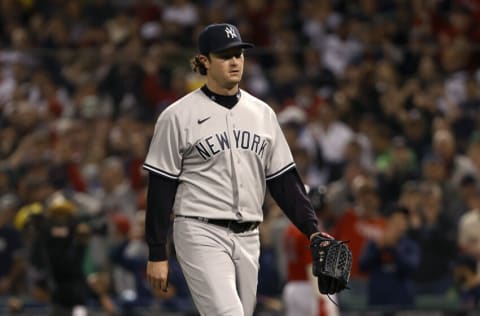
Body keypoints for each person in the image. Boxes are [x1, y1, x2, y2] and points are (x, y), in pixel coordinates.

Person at [143, 23, 324, 316]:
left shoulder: (262, 113)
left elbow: (283, 180)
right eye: (225, 55)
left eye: (239, 54)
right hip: (200, 229)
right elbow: (161, 187)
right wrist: (157, 252)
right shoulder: (177, 116)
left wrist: (312, 230)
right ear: (204, 61)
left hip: (250, 236)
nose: (235, 61)